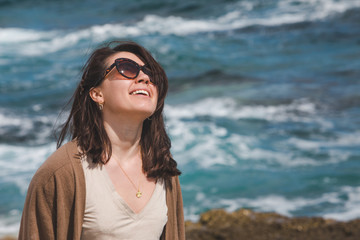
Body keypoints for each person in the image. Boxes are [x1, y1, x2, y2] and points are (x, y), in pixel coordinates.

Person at [18, 41, 185, 240]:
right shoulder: (60, 173)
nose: (145, 77)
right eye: (127, 68)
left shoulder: (162, 167)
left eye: (150, 73)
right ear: (97, 94)